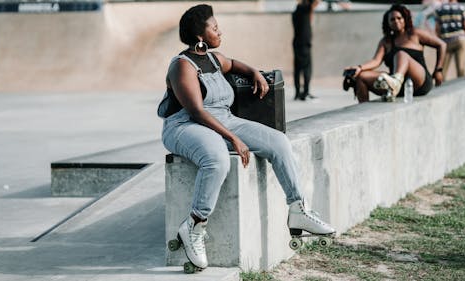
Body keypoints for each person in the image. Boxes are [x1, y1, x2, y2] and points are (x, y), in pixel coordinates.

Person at [157, 4, 335, 271]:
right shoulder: (182, 66)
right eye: (215, 28)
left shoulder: (216, 59)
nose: (220, 31)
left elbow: (235, 64)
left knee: (278, 142)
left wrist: (253, 72)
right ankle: (193, 225)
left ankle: (298, 209)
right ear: (200, 37)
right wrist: (234, 138)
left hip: (223, 120)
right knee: (217, 160)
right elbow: (195, 111)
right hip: (185, 125)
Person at [344, 4, 446, 103]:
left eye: (399, 18)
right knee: (361, 76)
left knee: (401, 54)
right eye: (392, 19)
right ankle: (364, 110)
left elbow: (442, 45)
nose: (396, 21)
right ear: (388, 23)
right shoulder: (386, 41)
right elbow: (376, 61)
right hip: (397, 88)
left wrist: (438, 70)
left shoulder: (415, 34)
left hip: (419, 83)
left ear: (405, 19)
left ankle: (395, 82)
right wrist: (359, 68)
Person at [434, 0, 465, 80]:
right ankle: (462, 88)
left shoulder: (439, 9)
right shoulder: (461, 8)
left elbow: (437, 29)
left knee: (442, 70)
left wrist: (439, 44)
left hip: (445, 41)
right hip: (460, 39)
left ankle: (442, 88)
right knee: (461, 68)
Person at [292, 0, 320, 101]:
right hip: (304, 44)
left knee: (298, 69)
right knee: (307, 69)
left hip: (297, 43)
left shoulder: (296, 12)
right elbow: (316, 2)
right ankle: (306, 92)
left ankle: (297, 92)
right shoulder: (304, 9)